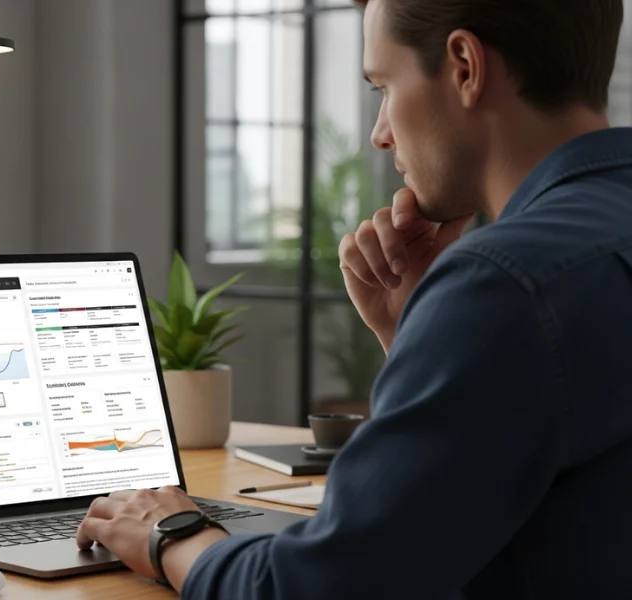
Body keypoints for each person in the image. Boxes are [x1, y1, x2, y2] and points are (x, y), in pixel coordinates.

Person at [75, 0, 632, 597]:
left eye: (384, 87)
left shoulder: (504, 285)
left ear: (466, 67)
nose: (379, 133)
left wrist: (170, 532)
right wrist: (420, 332)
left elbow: (314, 589)